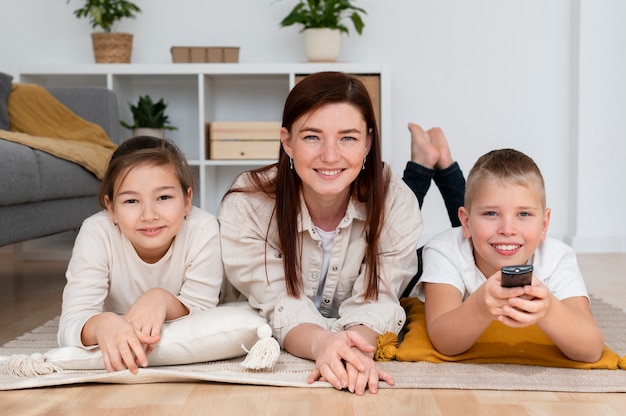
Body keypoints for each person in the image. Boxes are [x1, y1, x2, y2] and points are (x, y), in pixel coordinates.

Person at [218, 71, 423, 395]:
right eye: (312, 137)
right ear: (287, 141)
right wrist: (323, 343)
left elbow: (379, 299)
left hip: (353, 339)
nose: (330, 155)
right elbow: (279, 302)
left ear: (368, 142)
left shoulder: (395, 200)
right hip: (285, 340)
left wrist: (350, 352)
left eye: (348, 138)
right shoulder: (248, 204)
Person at [414, 148, 604, 362]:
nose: (507, 229)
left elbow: (592, 349)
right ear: (465, 222)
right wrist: (479, 306)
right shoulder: (443, 250)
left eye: (523, 214)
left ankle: (444, 160)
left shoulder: (557, 257)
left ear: (544, 225)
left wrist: (549, 309)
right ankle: (430, 159)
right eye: (491, 213)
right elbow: (444, 341)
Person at [58, 136, 224, 373]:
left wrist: (162, 299)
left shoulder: (203, 229)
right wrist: (102, 324)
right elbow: (71, 324)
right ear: (111, 208)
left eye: (164, 197)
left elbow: (203, 313)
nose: (149, 214)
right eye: (131, 200)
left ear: (188, 200)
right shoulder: (96, 232)